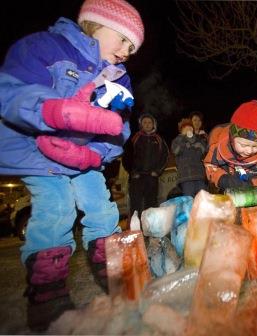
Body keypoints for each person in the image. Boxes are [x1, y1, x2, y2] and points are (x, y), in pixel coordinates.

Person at [0, 0, 144, 331]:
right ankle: (47, 292)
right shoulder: (45, 48)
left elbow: (119, 127)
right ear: (95, 24)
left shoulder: (118, 77)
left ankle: (111, 268)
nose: (126, 52)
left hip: (83, 160)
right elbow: (11, 93)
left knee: (102, 208)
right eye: (123, 40)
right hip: (38, 155)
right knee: (57, 209)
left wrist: (96, 154)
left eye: (132, 48)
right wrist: (53, 112)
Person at [204, 101, 257, 191]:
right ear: (232, 138)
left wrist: (253, 183)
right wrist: (222, 179)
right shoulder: (218, 148)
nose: (249, 150)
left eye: (255, 146)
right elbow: (210, 166)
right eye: (243, 145)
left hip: (253, 194)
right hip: (226, 192)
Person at [122, 113, 169, 217]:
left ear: (154, 124)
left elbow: (165, 157)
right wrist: (132, 172)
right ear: (141, 125)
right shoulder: (134, 138)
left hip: (152, 177)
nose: (147, 124)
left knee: (151, 204)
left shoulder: (159, 139)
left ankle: (150, 230)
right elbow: (126, 157)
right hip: (136, 177)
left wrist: (157, 171)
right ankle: (136, 229)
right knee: (135, 205)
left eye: (149, 122)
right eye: (145, 122)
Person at [171, 118, 208, 197]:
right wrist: (184, 139)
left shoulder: (198, 139)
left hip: (199, 174)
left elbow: (205, 151)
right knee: (189, 198)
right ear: (181, 130)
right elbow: (175, 151)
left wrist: (200, 140)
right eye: (186, 128)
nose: (189, 129)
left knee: (203, 198)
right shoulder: (177, 140)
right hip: (185, 176)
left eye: (190, 128)